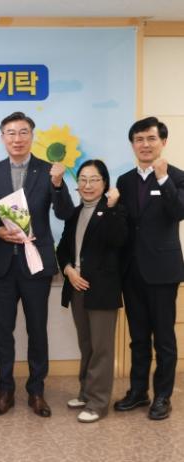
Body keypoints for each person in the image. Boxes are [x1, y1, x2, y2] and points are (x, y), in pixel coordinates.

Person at [0, 111, 74, 418]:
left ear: (32, 136)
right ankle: (4, 391)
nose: (17, 138)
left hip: (36, 264)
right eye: (11, 133)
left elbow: (64, 213)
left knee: (37, 330)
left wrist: (58, 184)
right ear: (2, 138)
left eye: (23, 132)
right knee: (2, 331)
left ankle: (36, 391)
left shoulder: (48, 171)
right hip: (3, 265)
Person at [114, 117, 184, 420]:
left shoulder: (177, 177)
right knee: (138, 337)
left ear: (163, 142)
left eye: (151, 138)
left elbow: (179, 212)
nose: (145, 144)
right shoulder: (124, 181)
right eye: (139, 139)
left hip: (163, 271)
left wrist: (163, 179)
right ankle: (138, 392)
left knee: (164, 339)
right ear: (132, 144)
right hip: (132, 272)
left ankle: (163, 397)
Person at [56, 160, 127, 423]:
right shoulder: (75, 213)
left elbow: (119, 240)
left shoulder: (115, 210)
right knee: (86, 345)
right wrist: (68, 270)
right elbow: (62, 248)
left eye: (94, 179)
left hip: (102, 291)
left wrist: (111, 207)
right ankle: (86, 392)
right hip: (77, 287)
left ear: (105, 183)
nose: (87, 185)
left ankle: (98, 403)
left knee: (101, 348)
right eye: (83, 180)